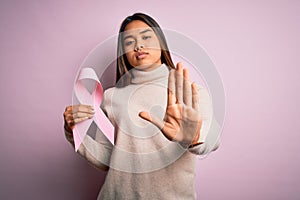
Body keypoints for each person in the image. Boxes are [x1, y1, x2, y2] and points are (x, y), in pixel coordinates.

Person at [63, 13, 220, 200]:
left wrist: (194, 138)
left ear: (161, 42)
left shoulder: (188, 92)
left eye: (146, 37)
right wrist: (75, 132)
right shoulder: (112, 97)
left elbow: (213, 137)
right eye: (129, 42)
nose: (138, 46)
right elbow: (106, 159)